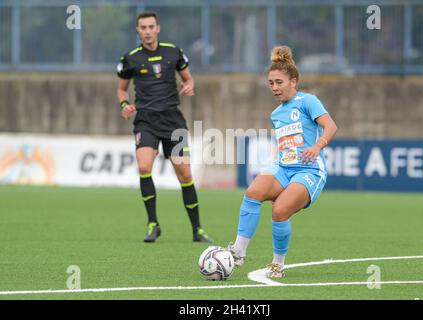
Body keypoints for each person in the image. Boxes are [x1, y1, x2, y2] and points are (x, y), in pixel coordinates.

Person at [227, 46, 338, 277]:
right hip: (284, 167)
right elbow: (286, 143)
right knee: (252, 192)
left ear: (293, 82)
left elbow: (331, 126)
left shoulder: (308, 101)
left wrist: (317, 146)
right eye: (271, 83)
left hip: (309, 170)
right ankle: (238, 251)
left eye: (279, 82)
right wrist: (275, 162)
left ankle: (278, 264)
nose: (275, 88)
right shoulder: (276, 114)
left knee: (279, 211)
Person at [116, 11, 213, 243]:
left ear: (158, 28)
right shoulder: (130, 58)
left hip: (173, 122)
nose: (148, 31)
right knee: (144, 167)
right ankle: (153, 224)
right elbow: (122, 89)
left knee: (185, 174)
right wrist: (125, 104)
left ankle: (197, 230)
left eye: (151, 27)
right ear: (138, 31)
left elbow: (189, 79)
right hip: (146, 121)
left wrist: (189, 86)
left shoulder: (173, 51)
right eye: (143, 28)